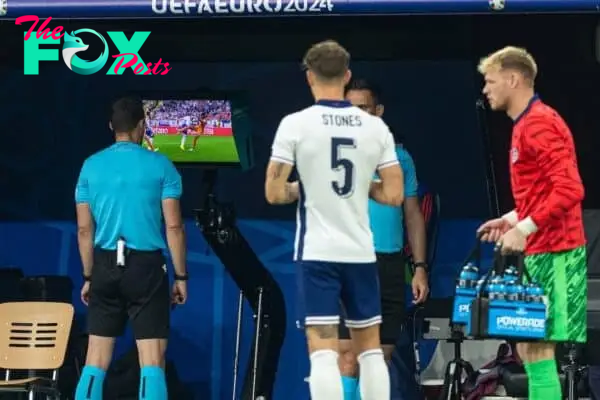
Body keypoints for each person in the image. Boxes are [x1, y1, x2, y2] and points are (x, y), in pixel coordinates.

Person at [265, 40, 404, 400]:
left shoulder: (294, 124)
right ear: (347, 75)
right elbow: (393, 195)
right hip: (360, 253)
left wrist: (306, 187)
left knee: (324, 352)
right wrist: (362, 185)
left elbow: (274, 192)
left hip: (318, 254)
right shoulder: (375, 128)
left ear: (309, 77)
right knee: (371, 352)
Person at [476, 46, 586, 400]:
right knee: (526, 348)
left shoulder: (538, 123)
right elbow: (540, 191)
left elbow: (570, 188)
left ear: (513, 79)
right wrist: (510, 219)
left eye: (490, 81)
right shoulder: (526, 124)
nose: (485, 89)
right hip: (542, 248)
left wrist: (524, 229)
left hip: (556, 251)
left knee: (538, 350)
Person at [74, 96, 188, 400]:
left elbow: (85, 230)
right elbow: (174, 227)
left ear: (112, 127)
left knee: (95, 360)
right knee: (152, 361)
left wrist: (88, 276)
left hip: (104, 265)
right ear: (143, 125)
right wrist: (181, 277)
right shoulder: (161, 164)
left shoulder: (90, 166)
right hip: (146, 267)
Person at [339, 79, 429, 399]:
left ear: (378, 111)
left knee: (380, 360)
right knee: (349, 359)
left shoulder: (400, 159)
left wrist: (419, 267)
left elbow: (413, 216)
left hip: (389, 267)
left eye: (362, 109)